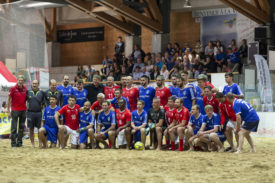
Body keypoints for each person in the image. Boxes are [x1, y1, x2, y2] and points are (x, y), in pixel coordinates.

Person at [7, 75, 27, 148]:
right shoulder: (12, 88)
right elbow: (8, 99)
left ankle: (19, 143)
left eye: (22, 80)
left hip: (23, 110)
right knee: (14, 128)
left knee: (21, 128)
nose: (20, 81)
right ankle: (13, 143)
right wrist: (8, 111)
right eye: (19, 80)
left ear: (23, 81)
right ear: (17, 80)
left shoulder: (25, 88)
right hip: (15, 110)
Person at [26, 80, 45, 148]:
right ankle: (33, 144)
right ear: (32, 84)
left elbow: (44, 103)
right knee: (31, 129)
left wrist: (43, 110)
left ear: (38, 84)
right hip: (30, 113)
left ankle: (40, 143)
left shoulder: (42, 92)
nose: (34, 85)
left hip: (39, 113)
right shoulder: (28, 92)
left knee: (40, 129)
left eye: (36, 83)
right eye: (33, 83)